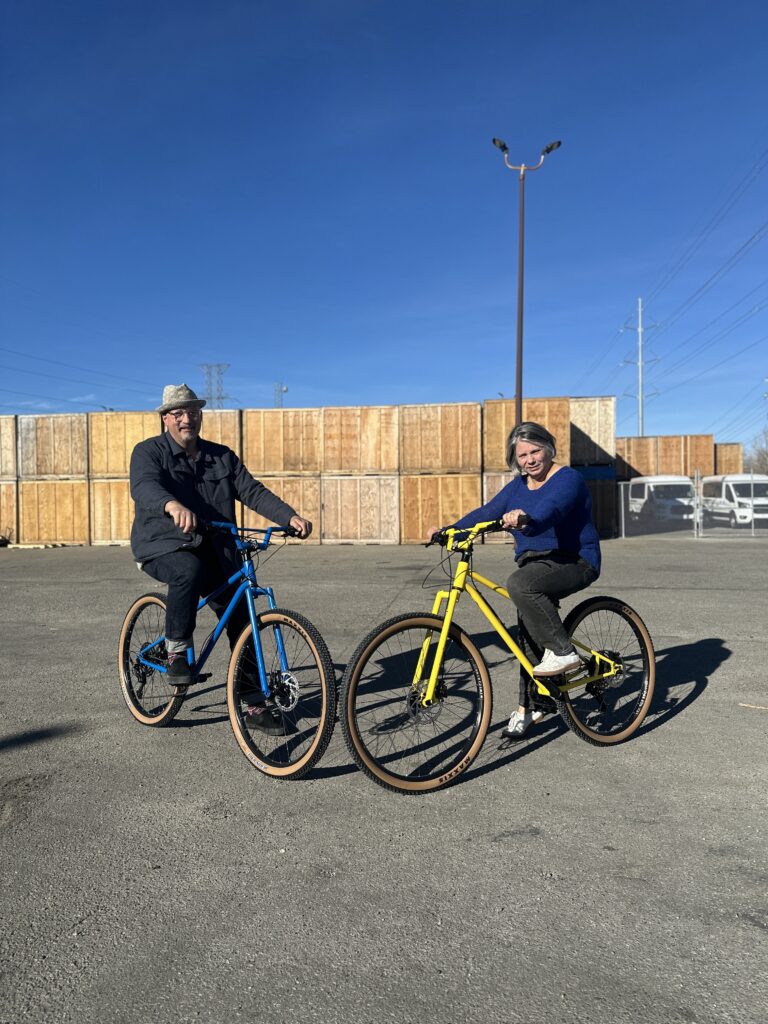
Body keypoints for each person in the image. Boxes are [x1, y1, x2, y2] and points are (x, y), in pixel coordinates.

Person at [130, 383, 312, 730]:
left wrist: (288, 517)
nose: (188, 419)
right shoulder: (148, 452)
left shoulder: (221, 456)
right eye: (179, 413)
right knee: (188, 569)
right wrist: (171, 504)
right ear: (166, 418)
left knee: (242, 616)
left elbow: (252, 491)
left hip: (216, 547)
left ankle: (255, 704)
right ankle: (176, 651)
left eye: (193, 412)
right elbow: (144, 486)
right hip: (162, 544)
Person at [426, 421, 601, 739]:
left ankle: (563, 651)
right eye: (523, 455)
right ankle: (534, 704)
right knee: (528, 637)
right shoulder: (517, 486)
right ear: (515, 458)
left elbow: (553, 508)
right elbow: (487, 511)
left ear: (549, 449)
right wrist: (449, 530)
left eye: (536, 451)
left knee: (521, 585)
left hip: (574, 560)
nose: (530, 460)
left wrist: (527, 519)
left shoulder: (568, 479)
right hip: (534, 564)